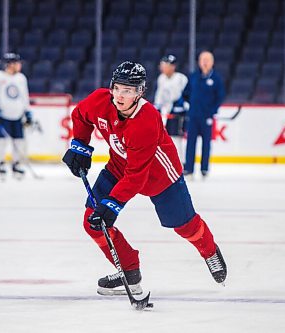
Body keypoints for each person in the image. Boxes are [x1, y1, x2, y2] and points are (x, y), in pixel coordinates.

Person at [62, 61, 227, 296]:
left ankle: (210, 252)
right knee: (93, 221)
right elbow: (80, 115)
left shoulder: (146, 119)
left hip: (159, 176)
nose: (120, 95)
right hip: (119, 167)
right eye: (117, 88)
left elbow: (137, 176)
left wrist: (113, 205)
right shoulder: (100, 100)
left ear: (139, 93)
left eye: (128, 90)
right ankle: (129, 270)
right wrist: (80, 146)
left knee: (185, 226)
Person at [0, 52, 33, 180]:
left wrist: (27, 111)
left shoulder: (21, 78)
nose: (19, 65)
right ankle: (0, 163)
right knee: (3, 141)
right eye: (17, 63)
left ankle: (16, 164)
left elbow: (24, 96)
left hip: (17, 115)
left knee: (19, 141)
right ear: (10, 64)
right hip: (3, 115)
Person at [183, 51, 225, 178]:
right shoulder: (193, 77)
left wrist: (212, 111)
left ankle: (204, 168)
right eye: (203, 59)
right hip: (193, 116)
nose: (205, 62)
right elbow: (186, 93)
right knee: (191, 142)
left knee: (206, 143)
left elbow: (220, 96)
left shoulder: (216, 79)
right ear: (199, 62)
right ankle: (189, 168)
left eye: (207, 59)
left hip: (207, 117)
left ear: (212, 62)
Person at [154, 54, 189, 163]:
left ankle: (180, 162)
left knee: (176, 137)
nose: (163, 67)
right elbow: (159, 96)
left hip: (177, 113)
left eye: (166, 65)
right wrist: (157, 108)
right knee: (164, 138)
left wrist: (181, 105)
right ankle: (168, 162)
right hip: (166, 113)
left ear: (173, 66)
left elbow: (187, 95)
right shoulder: (161, 78)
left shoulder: (181, 78)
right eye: (163, 65)